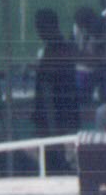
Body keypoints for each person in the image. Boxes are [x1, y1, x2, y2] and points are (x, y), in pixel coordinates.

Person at [32, 9, 80, 173]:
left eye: (40, 27)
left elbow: (51, 88)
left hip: (57, 119)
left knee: (58, 162)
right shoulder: (53, 49)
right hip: (53, 120)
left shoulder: (58, 50)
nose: (38, 32)